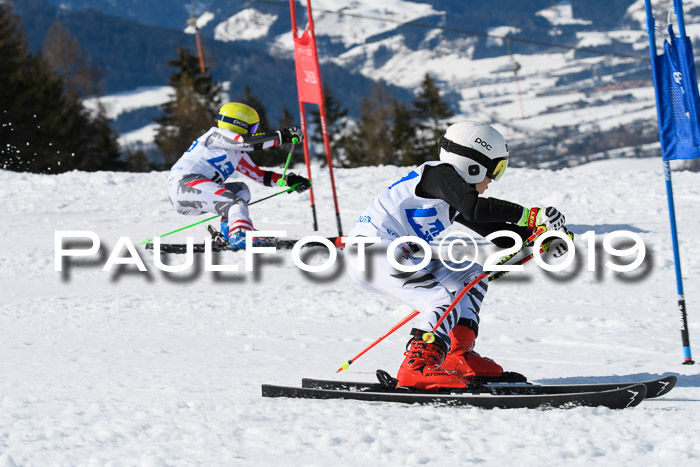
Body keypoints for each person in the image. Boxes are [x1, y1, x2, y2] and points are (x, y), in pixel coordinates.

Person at [345, 121, 567, 390]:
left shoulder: (452, 193)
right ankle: (417, 367)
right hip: (371, 252)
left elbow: (498, 232)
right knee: (439, 297)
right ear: (472, 163)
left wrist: (543, 239)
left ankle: (456, 356)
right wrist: (528, 215)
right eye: (495, 169)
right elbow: (474, 209)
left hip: (394, 254)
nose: (493, 180)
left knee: (470, 274)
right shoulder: (440, 175)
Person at [167, 102, 311, 247]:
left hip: (194, 194)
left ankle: (229, 230)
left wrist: (290, 180)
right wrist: (281, 136)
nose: (253, 131)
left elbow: (259, 175)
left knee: (241, 190)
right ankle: (240, 234)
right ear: (239, 124)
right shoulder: (215, 135)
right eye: (252, 127)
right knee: (234, 202)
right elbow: (246, 142)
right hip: (184, 184)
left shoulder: (235, 152)